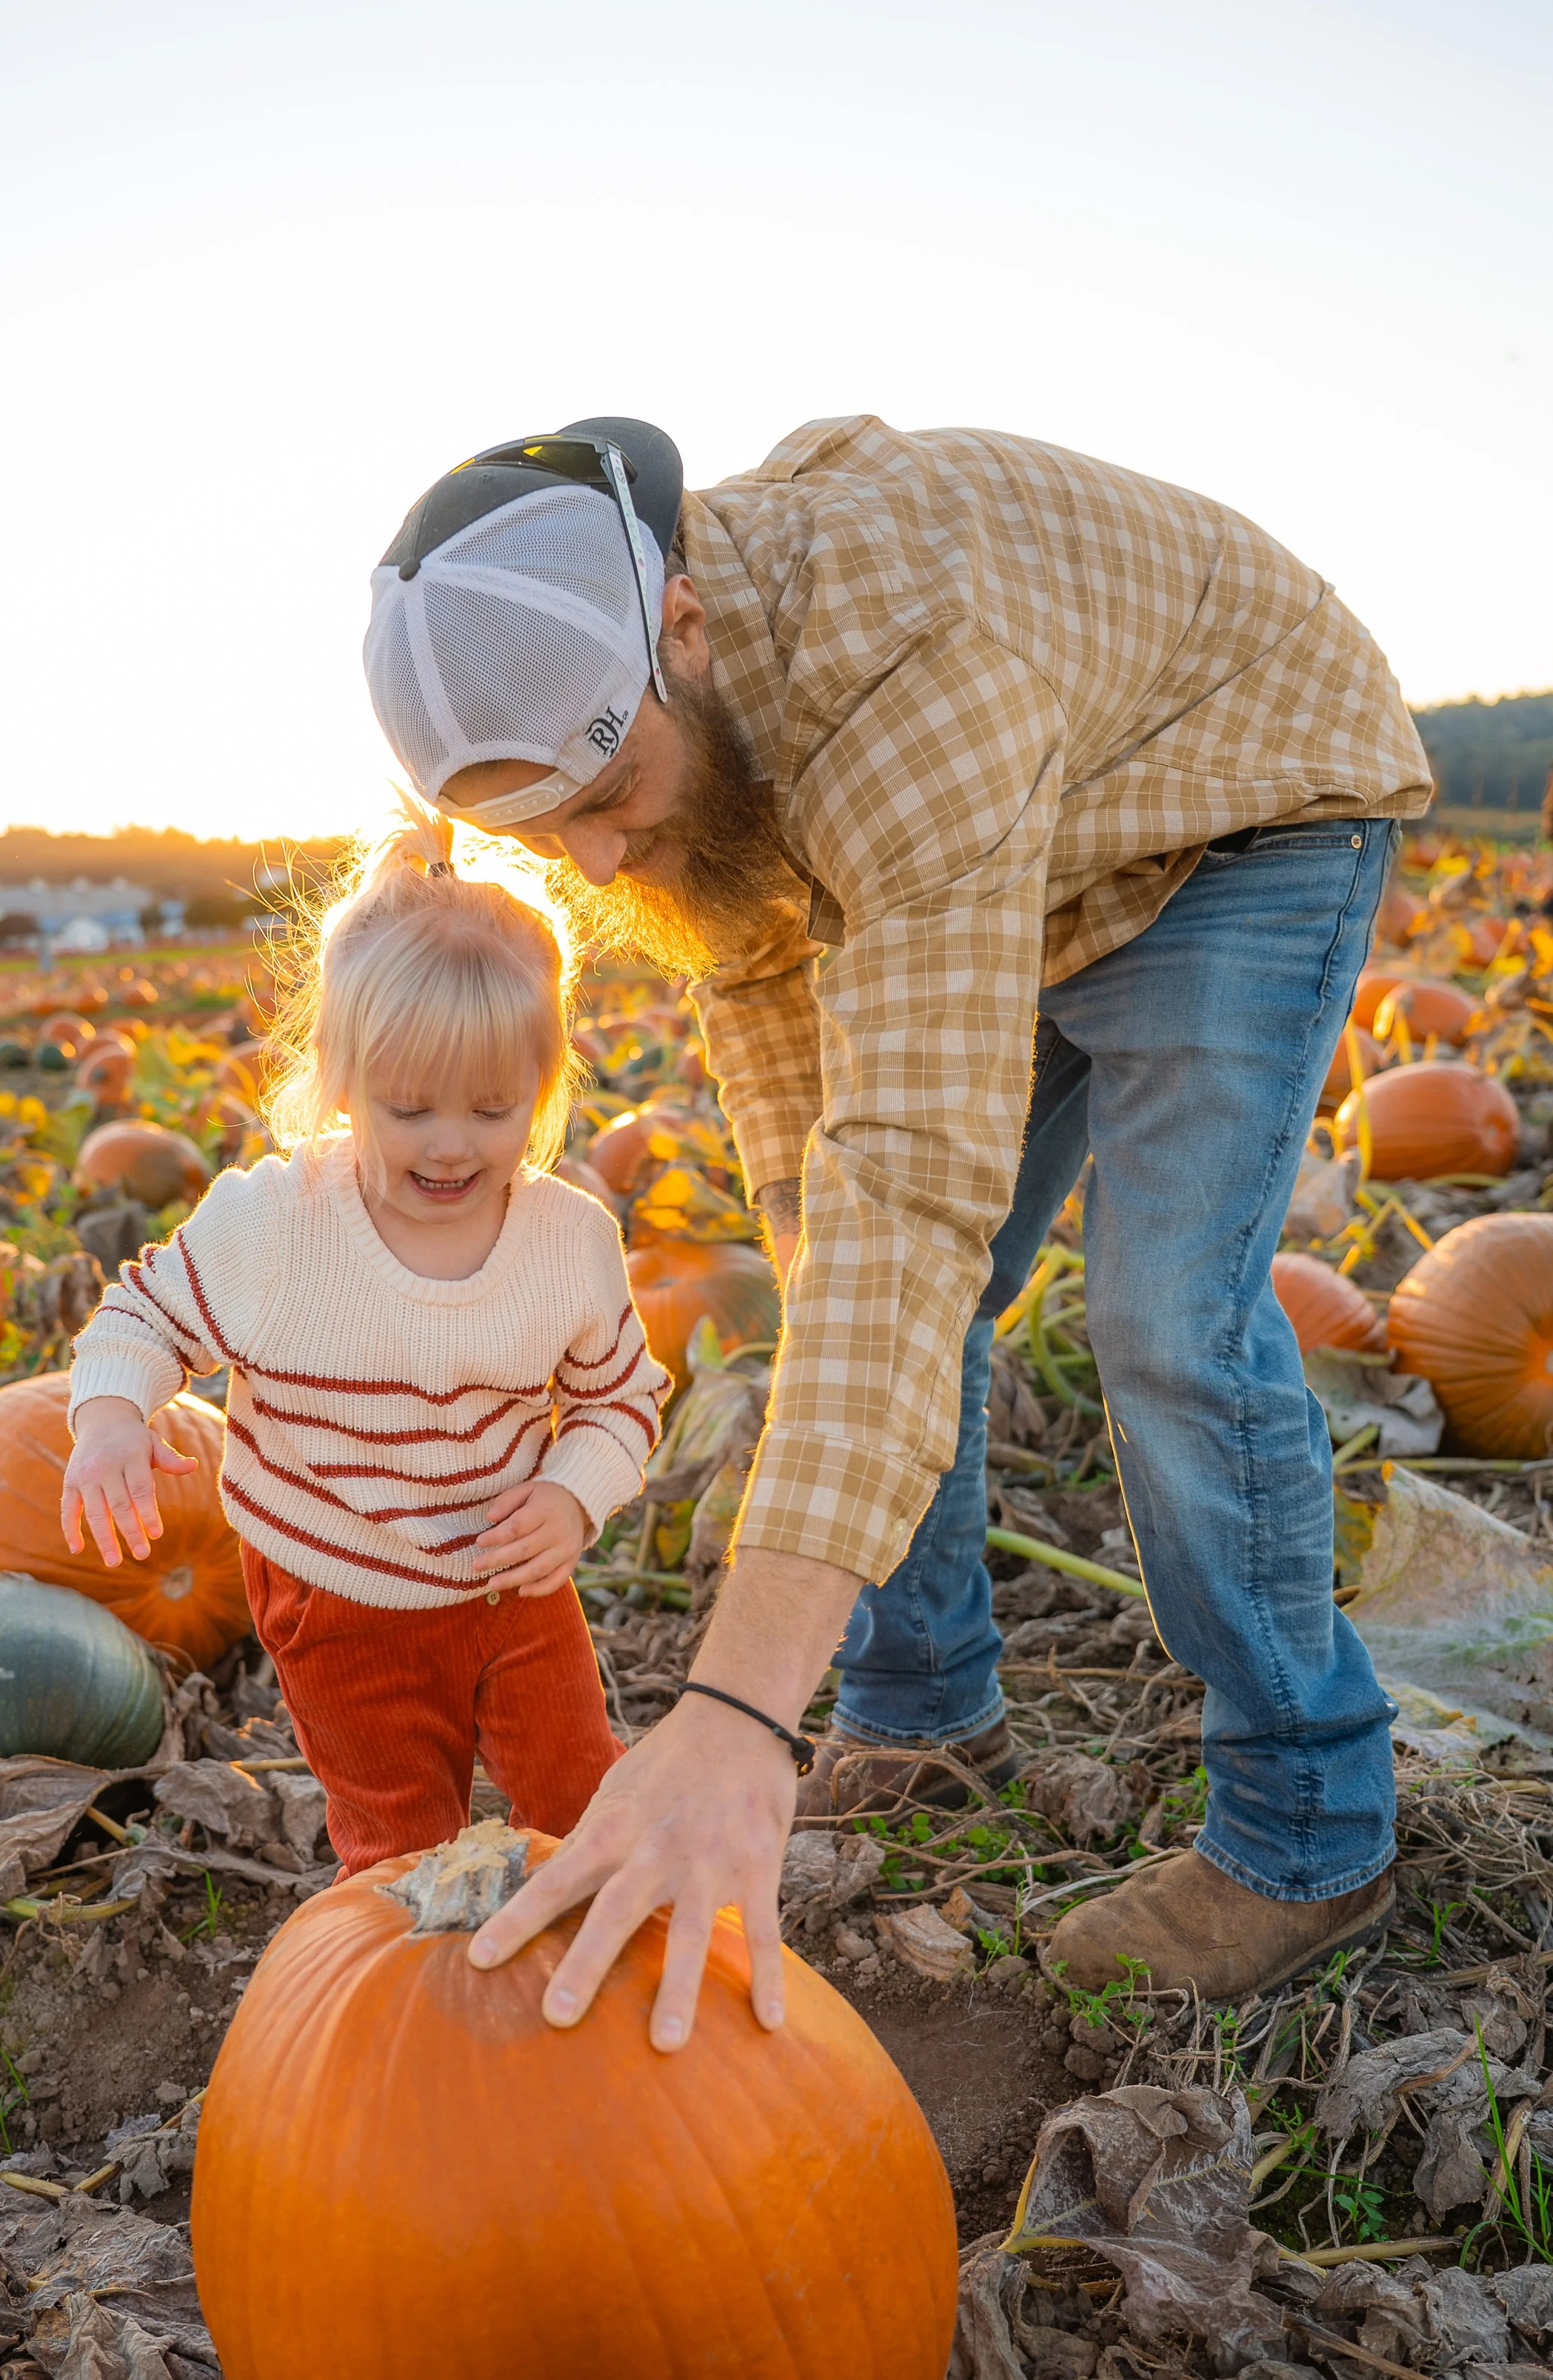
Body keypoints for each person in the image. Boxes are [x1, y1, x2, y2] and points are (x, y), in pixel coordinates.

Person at [358, 414, 1435, 2047]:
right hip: (1028, 840)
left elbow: (911, 1194)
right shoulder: (698, 762)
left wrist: (730, 1709)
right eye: (537, 834)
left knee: (1166, 1319)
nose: (591, 859)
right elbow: (823, 1174)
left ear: (686, 632)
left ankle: (1305, 1834)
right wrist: (818, 1310)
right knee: (844, 1283)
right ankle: (920, 1701)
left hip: (1229, 815)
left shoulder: (904, 671)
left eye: (606, 793)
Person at [58, 811, 667, 1873]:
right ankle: (411, 2010)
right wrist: (112, 1414)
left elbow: (621, 1399)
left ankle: (597, 1964)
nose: (450, 1142)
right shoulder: (278, 1224)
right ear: (339, 1082)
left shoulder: (570, 1242)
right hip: (336, 1591)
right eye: (408, 1107)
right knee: (400, 1840)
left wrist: (573, 1493)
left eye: (492, 1108)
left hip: (512, 1583)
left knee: (580, 1799)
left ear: (545, 1087)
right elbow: (146, 1312)